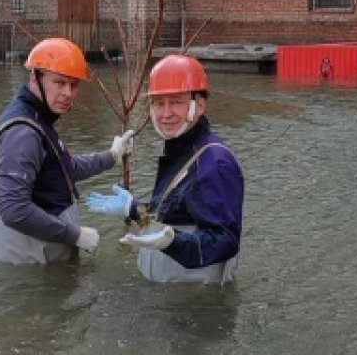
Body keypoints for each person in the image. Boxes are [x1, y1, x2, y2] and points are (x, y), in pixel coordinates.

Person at [85, 54, 243, 284]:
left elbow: (225, 240)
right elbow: (177, 211)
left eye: (176, 101)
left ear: (198, 105)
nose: (166, 114)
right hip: (167, 289)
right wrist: (134, 209)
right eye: (159, 103)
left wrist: (173, 243)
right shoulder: (179, 150)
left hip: (193, 299)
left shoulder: (215, 163)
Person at [0, 37, 134, 265]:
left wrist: (111, 156)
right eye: (59, 83)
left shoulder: (37, 117)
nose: (68, 93)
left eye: (73, 85)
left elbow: (61, 169)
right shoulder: (23, 133)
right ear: (35, 78)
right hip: (28, 264)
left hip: (36, 257)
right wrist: (75, 235)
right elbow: (13, 209)